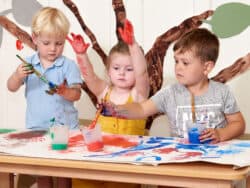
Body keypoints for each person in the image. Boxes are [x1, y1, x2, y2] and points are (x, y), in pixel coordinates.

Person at [108, 28, 245, 144]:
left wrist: (220, 134)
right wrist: (117, 110)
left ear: (207, 67)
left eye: (185, 63)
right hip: (183, 160)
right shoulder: (170, 93)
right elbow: (141, 109)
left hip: (217, 161)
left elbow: (238, 124)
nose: (178, 68)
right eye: (176, 61)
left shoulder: (222, 92)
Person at [67, 19, 149, 188]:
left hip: (126, 164)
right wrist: (81, 55)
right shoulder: (104, 91)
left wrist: (133, 46)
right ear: (108, 71)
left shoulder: (138, 94)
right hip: (99, 159)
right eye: (117, 68)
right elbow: (89, 77)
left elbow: (142, 74)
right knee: (79, 177)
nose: (122, 73)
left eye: (129, 69)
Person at [7, 7, 82, 188]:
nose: (53, 49)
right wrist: (17, 76)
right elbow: (11, 87)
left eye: (59, 43)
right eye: (47, 43)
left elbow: (76, 94)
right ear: (35, 38)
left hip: (65, 130)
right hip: (37, 130)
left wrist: (64, 91)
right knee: (42, 174)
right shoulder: (28, 64)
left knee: (64, 173)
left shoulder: (68, 66)